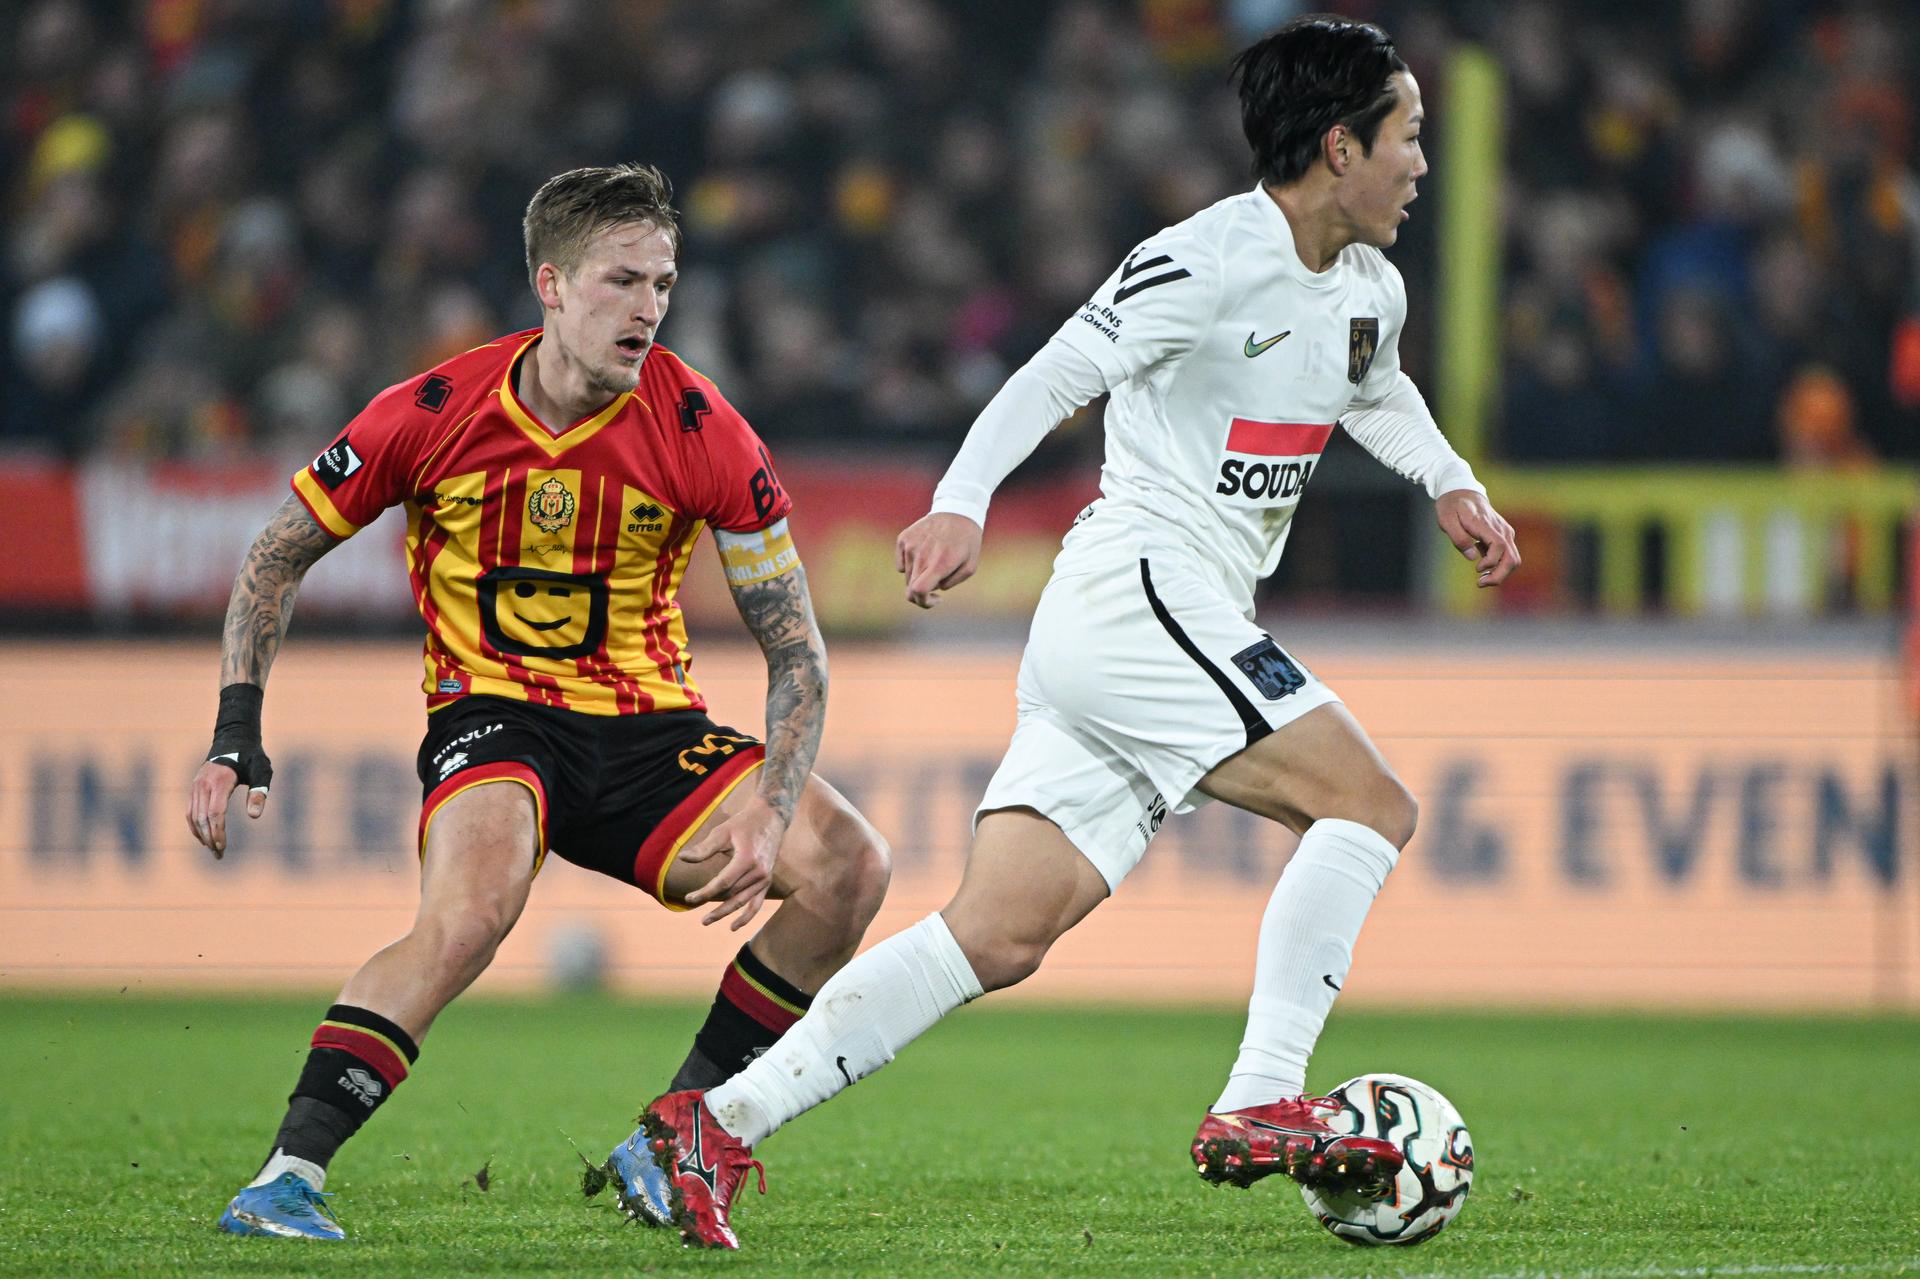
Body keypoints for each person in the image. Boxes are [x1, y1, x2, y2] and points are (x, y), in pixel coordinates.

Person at [631, 17, 1521, 1250]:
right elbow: (1058, 370)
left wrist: (1449, 480)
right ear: (1339, 146)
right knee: (1369, 806)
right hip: (1142, 591)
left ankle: (710, 1124)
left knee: (996, 934)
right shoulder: (1203, 260)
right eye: (1408, 137)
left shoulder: (1372, 288)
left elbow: (1374, 386)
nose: (1422, 162)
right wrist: (961, 500)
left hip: (1155, 623)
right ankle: (1262, 1092)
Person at [184, 164, 891, 1241]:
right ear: (551, 285)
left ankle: (675, 1137)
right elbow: (276, 555)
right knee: (470, 913)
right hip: (495, 714)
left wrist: (773, 805)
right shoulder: (432, 411)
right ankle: (287, 1174)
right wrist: (237, 731)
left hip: (651, 731)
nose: (649, 308)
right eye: (622, 281)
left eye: (663, 283)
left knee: (850, 867)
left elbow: (797, 650)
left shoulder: (705, 428)